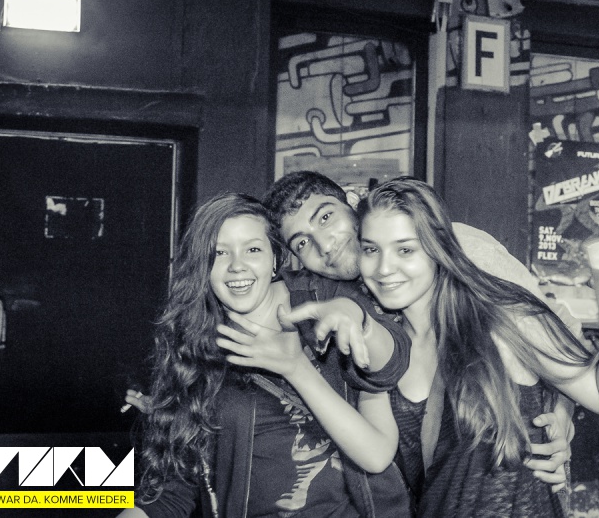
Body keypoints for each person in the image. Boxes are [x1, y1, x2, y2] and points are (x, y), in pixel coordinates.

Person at [351, 177, 599, 516]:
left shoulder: (504, 317)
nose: (384, 268)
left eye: (405, 250)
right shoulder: (383, 346)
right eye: (371, 249)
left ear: (437, 248)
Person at [119, 192, 413, 518]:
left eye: (253, 249)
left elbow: (391, 367)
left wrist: (352, 319)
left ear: (275, 258)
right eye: (219, 253)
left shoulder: (323, 298)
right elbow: (170, 495)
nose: (237, 266)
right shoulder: (194, 348)